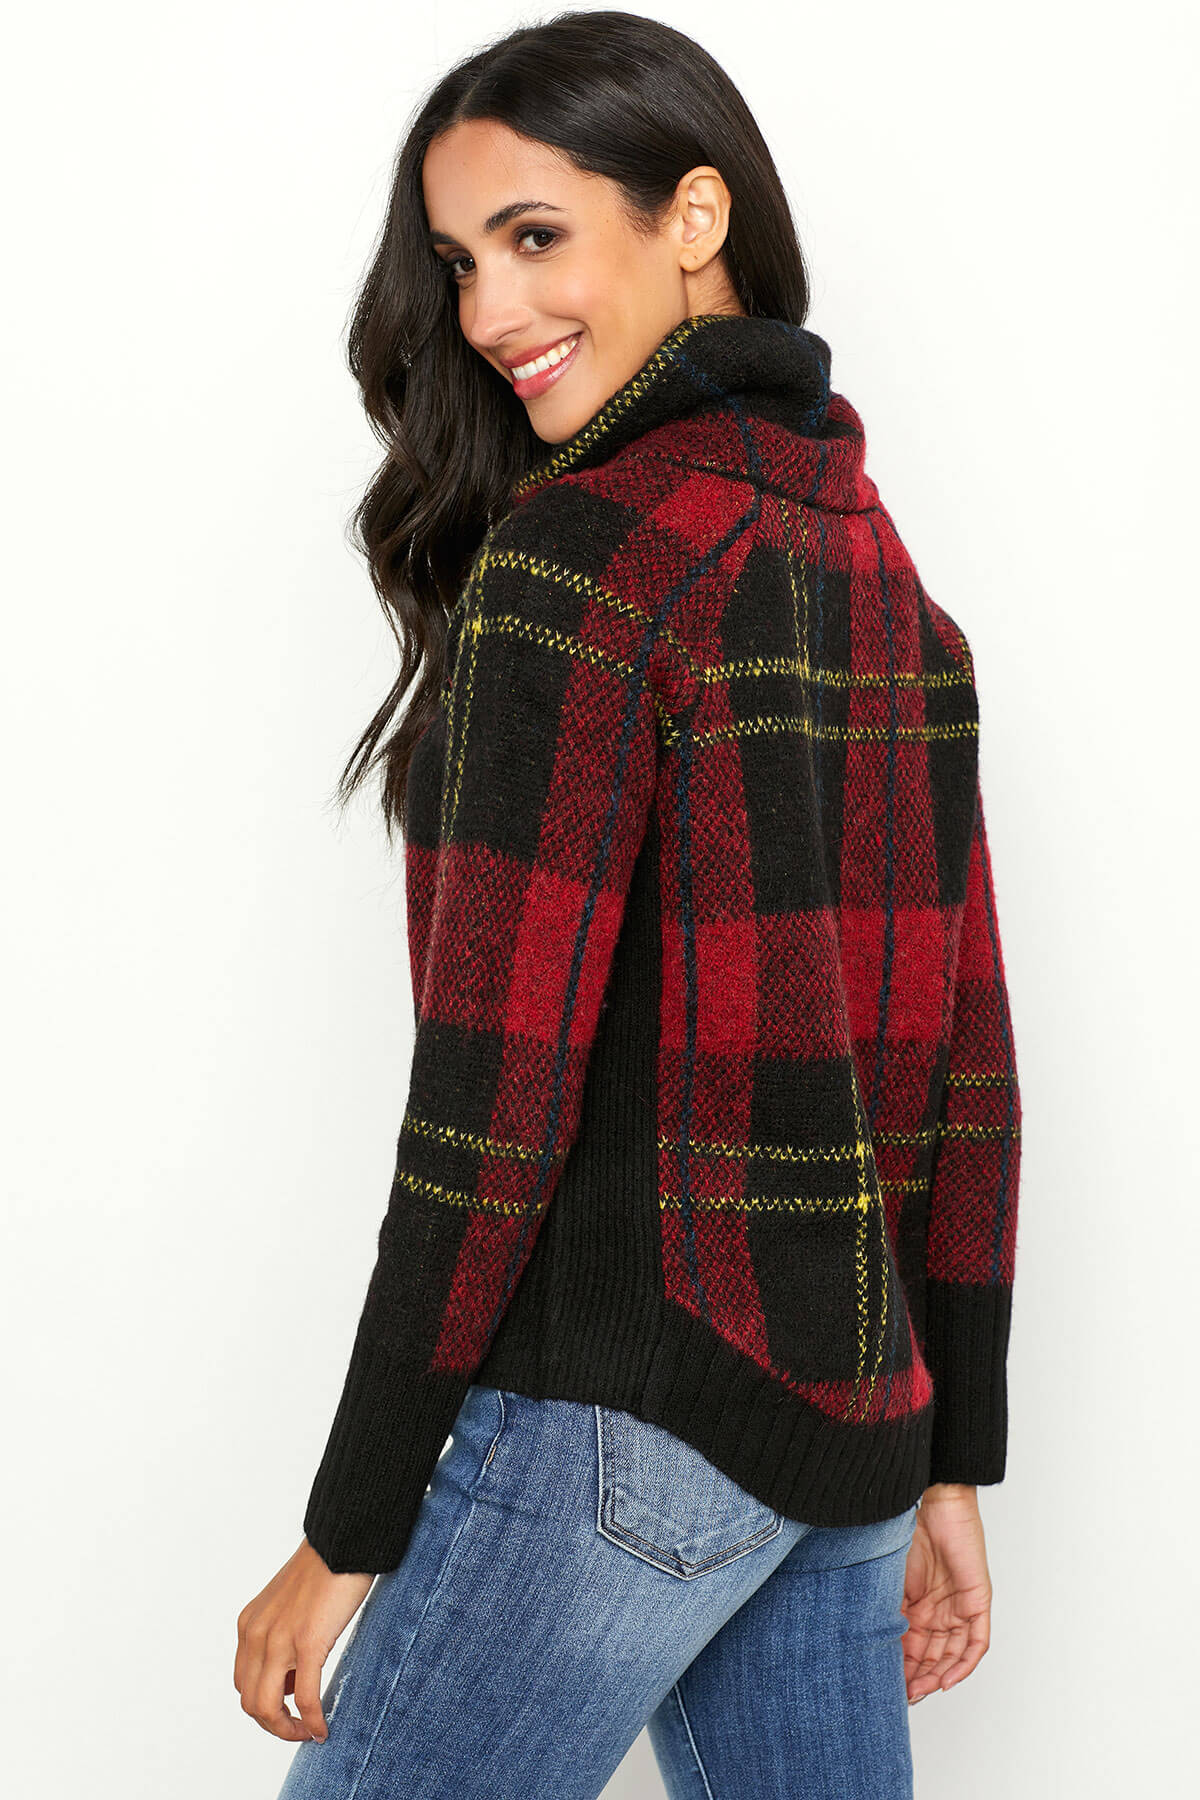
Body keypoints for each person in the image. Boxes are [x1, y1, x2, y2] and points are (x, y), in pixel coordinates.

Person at [234, 13, 1022, 1798]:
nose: (489, 311)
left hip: (617, 1428)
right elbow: (962, 1063)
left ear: (694, 216)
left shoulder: (582, 564)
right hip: (840, 1436)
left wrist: (351, 1526)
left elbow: (489, 1107)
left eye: (535, 236)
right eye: (458, 263)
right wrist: (946, 1445)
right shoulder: (890, 586)